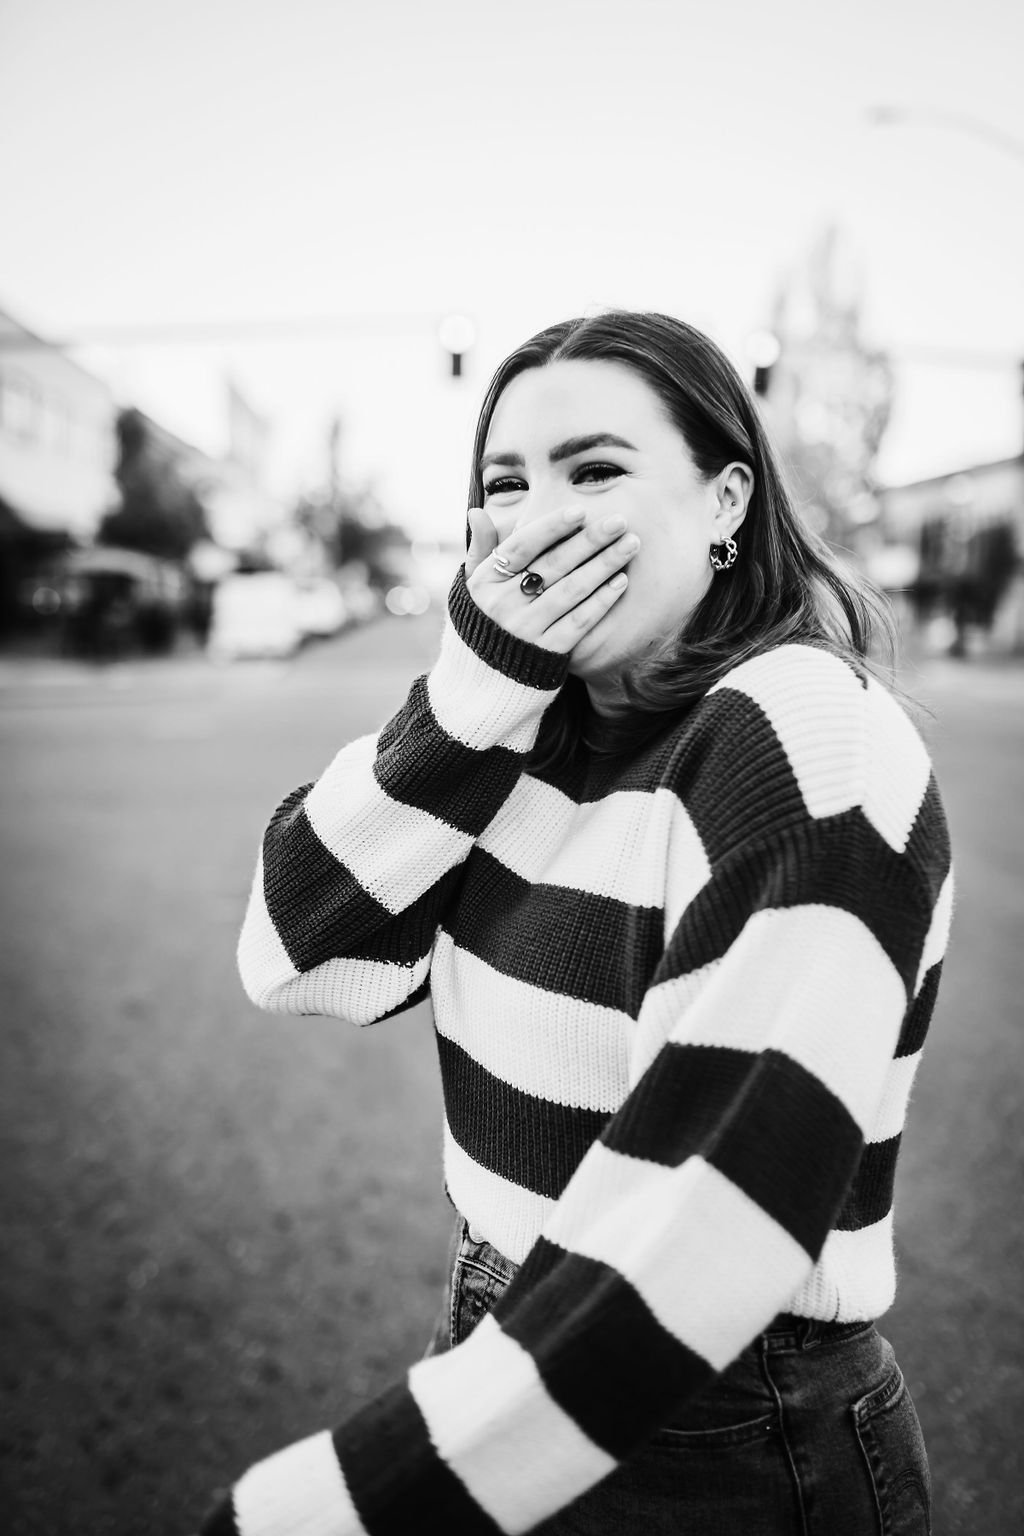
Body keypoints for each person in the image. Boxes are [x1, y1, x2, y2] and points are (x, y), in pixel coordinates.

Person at [202, 311, 953, 1536]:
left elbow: (711, 1218)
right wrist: (471, 692)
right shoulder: (513, 728)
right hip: (506, 1340)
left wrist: (343, 1505)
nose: (537, 518)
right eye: (504, 484)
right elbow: (294, 954)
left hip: (718, 1419)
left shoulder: (800, 731)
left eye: (594, 470)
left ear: (725, 502)